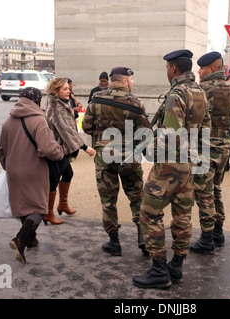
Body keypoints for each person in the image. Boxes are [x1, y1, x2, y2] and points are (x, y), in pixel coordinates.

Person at [132, 49, 208, 289]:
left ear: (173, 68)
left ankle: (158, 270)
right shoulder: (200, 93)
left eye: (167, 68)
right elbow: (205, 130)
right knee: (183, 215)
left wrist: (149, 148)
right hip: (188, 162)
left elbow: (170, 136)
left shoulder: (177, 95)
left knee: (148, 212)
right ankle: (176, 267)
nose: (167, 72)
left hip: (169, 165)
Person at [82, 67, 149, 257]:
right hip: (129, 157)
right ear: (125, 81)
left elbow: (86, 127)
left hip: (105, 157)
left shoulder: (97, 100)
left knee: (108, 200)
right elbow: (144, 132)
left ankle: (114, 242)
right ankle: (143, 237)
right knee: (137, 197)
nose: (133, 83)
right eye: (132, 80)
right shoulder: (136, 102)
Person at [0, 87, 64, 264]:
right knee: (39, 208)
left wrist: (8, 167)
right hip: (34, 170)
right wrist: (60, 152)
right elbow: (48, 148)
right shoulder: (38, 120)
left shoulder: (8, 121)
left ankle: (31, 239)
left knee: (23, 206)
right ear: (37, 100)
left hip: (13, 171)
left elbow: (1, 151)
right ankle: (20, 240)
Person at [188, 54, 230, 256]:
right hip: (224, 148)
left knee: (203, 193)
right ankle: (218, 233)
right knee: (215, 189)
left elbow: (191, 121)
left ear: (211, 68)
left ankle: (207, 238)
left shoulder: (200, 91)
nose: (199, 72)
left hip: (203, 147)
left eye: (201, 69)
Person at [44, 77, 96, 225]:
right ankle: (48, 213)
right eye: (65, 89)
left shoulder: (60, 103)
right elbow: (66, 131)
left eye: (69, 88)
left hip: (61, 148)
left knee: (67, 174)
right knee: (53, 180)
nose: (69, 91)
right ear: (56, 91)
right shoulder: (56, 107)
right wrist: (85, 147)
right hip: (56, 149)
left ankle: (63, 205)